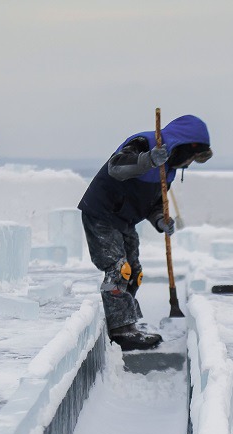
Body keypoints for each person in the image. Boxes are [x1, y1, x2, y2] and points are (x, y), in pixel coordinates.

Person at [78, 114, 213, 351]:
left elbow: (154, 203)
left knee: (134, 272)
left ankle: (128, 321)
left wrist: (161, 220)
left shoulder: (169, 169)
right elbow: (116, 167)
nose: (189, 164)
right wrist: (148, 159)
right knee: (119, 270)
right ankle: (121, 331)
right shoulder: (144, 143)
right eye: (192, 157)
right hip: (102, 213)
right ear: (185, 145)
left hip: (125, 220)